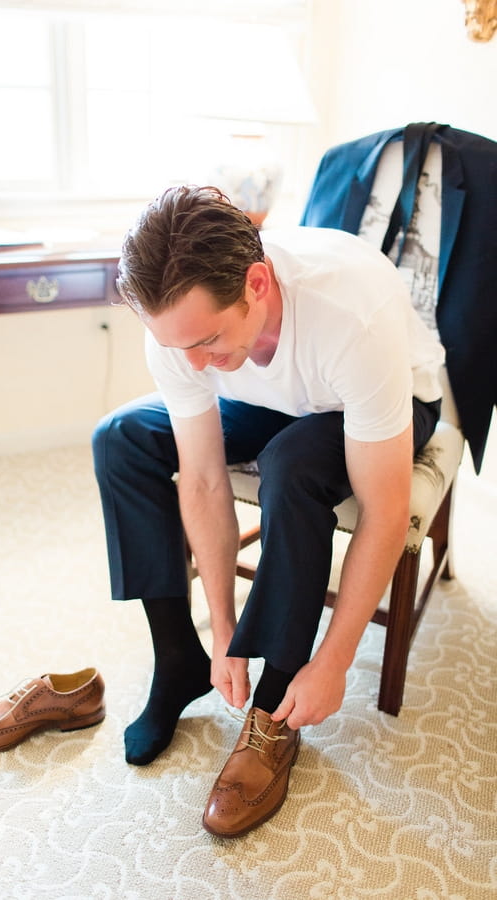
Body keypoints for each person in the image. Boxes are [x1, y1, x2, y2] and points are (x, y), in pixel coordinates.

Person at [93, 185, 445, 838]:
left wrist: (334, 662)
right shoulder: (179, 337)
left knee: (292, 465)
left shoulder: (351, 315)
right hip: (266, 392)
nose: (190, 363)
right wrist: (223, 626)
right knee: (120, 438)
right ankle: (179, 662)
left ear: (257, 283)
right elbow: (201, 479)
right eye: (177, 348)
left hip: (384, 402)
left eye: (204, 340)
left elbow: (385, 507)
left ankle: (276, 711)